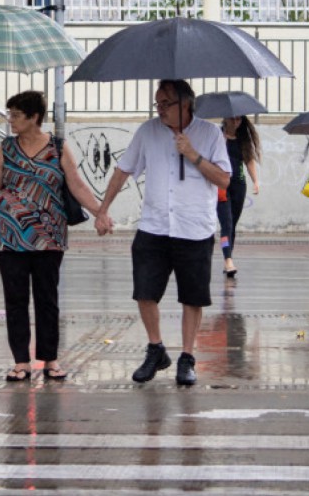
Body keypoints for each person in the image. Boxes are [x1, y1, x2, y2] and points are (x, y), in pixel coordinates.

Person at [95, 80, 231, 386]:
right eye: (157, 104)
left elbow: (224, 180)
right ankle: (156, 349)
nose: (159, 110)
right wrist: (102, 209)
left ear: (185, 104)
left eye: (165, 104)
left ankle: (187, 357)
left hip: (193, 228)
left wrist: (193, 154)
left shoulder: (210, 134)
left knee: (192, 298)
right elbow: (123, 170)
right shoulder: (148, 131)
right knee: (144, 292)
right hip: (153, 226)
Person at [0, 91, 102, 383]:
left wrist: (101, 211)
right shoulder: (7, 147)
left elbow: (76, 185)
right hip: (10, 236)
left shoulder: (58, 148)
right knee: (15, 299)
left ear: (34, 117)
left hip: (49, 237)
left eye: (16, 115)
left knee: (48, 298)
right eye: (9, 114)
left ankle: (50, 360)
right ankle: (21, 361)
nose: (10, 120)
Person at [216, 115, 261, 278]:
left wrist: (255, 181)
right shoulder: (217, 135)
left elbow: (249, 161)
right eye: (233, 119)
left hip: (239, 185)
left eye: (239, 120)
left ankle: (228, 256)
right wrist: (222, 142)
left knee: (232, 225)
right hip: (221, 184)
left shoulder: (243, 138)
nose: (236, 122)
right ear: (225, 119)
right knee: (226, 224)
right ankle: (228, 259)